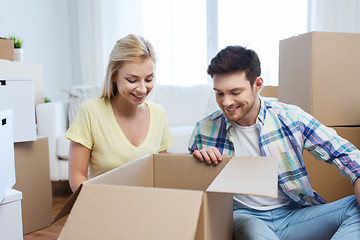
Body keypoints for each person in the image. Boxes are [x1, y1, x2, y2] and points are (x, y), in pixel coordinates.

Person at [188, 45, 360, 239]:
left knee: (355, 208)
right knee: (253, 230)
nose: (226, 102)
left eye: (235, 92)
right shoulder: (203, 130)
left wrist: (358, 175)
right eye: (219, 93)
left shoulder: (290, 117)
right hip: (245, 217)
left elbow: (346, 153)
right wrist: (199, 165)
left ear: (257, 84)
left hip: (293, 216)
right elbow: (189, 198)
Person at [66, 34, 174, 192]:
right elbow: (77, 175)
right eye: (132, 80)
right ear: (114, 75)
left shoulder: (159, 115)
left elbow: (160, 176)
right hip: (103, 206)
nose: (143, 89)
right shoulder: (90, 111)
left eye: (149, 79)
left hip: (147, 208)